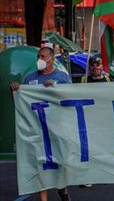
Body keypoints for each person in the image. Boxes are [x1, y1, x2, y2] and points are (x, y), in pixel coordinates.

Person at [10, 47, 72, 201]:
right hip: (37, 128)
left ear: (52, 59)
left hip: (57, 128)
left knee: (58, 163)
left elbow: (71, 98)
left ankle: (63, 191)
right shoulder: (30, 78)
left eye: (43, 56)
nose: (40, 59)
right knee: (40, 163)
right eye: (38, 56)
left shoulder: (62, 77)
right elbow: (22, 102)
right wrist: (17, 90)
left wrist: (56, 88)